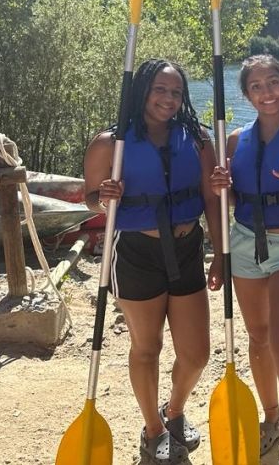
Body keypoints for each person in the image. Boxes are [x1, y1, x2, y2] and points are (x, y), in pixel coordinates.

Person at [83, 58, 223, 465]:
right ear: (142, 90)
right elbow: (91, 196)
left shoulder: (197, 139)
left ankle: (174, 409)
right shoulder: (110, 143)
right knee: (148, 347)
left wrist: (219, 253)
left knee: (196, 353)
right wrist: (103, 197)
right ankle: (153, 429)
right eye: (160, 90)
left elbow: (211, 199)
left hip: (187, 248)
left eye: (176, 92)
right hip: (137, 253)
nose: (168, 99)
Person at [209, 54, 279, 465]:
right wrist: (224, 187)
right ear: (247, 94)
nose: (266, 91)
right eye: (256, 86)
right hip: (244, 244)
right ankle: (272, 417)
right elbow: (235, 199)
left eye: (273, 82)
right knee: (258, 338)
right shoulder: (236, 141)